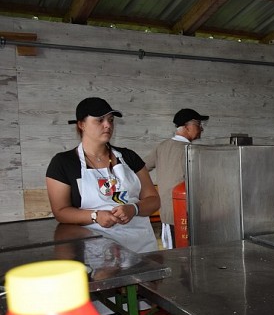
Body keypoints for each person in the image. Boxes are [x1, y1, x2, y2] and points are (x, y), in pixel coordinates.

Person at [46, 97, 160, 253]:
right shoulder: (63, 163)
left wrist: (134, 208)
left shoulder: (129, 157)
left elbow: (154, 200)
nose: (108, 125)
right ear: (81, 124)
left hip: (140, 246)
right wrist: (95, 215)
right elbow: (61, 211)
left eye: (111, 120)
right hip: (96, 250)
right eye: (100, 120)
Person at [144, 108, 209, 249]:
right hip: (185, 215)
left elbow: (142, 168)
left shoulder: (162, 146)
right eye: (198, 124)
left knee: (174, 252)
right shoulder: (191, 151)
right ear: (187, 126)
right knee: (187, 253)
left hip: (167, 214)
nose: (201, 128)